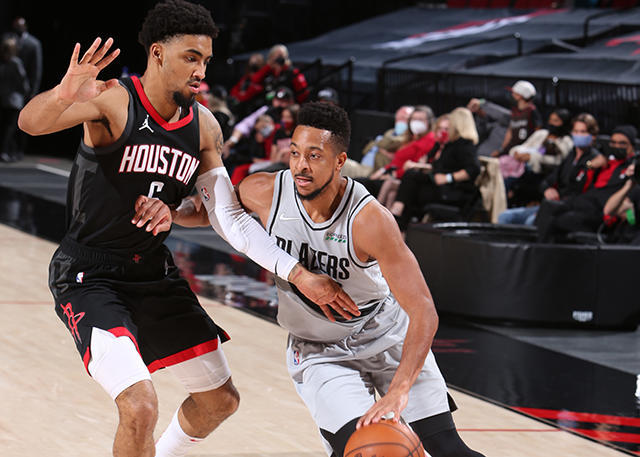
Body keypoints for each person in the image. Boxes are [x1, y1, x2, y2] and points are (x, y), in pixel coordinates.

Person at [17, 2, 354, 456]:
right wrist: (63, 94)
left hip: (152, 272)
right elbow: (30, 124)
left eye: (206, 61)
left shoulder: (204, 127)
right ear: (158, 53)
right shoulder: (116, 100)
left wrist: (293, 272)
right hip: (90, 274)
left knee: (220, 400)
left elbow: (225, 214)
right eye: (191, 58)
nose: (201, 71)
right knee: (140, 407)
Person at [162, 101, 484, 457]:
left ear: (340, 161)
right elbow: (209, 211)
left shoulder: (370, 221)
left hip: (385, 335)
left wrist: (400, 389)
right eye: (295, 153)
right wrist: (172, 212)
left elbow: (424, 311)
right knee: (366, 450)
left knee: (448, 449)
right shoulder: (266, 191)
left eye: (314, 156)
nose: (300, 165)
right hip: (321, 351)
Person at [499, 112, 597, 226]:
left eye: (583, 132)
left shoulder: (594, 159)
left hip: (569, 208)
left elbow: (584, 173)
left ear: (592, 135)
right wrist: (548, 190)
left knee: (531, 221)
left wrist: (589, 164)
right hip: (552, 204)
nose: (578, 135)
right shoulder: (571, 156)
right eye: (576, 131)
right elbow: (548, 181)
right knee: (505, 216)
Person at [391, 107, 481, 231]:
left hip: (453, 192)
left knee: (412, 186)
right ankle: (397, 222)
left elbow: (474, 169)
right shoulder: (449, 144)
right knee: (411, 179)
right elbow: (436, 167)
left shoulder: (464, 145)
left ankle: (396, 217)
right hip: (441, 187)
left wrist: (448, 178)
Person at [491, 80, 542, 158]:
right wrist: (501, 151)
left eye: (514, 93)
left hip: (523, 153)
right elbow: (510, 133)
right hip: (511, 151)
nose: (512, 95)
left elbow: (538, 134)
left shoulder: (532, 111)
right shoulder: (515, 110)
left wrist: (531, 152)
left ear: (520, 96)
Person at [0, 34, 30, 162]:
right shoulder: (9, 63)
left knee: (10, 128)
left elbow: (22, 81)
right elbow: (23, 81)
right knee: (8, 127)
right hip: (8, 99)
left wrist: (25, 93)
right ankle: (6, 151)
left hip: (11, 100)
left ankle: (9, 151)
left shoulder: (13, 63)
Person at [11, 17, 42, 100]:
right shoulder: (9, 40)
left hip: (26, 86)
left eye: (20, 26)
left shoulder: (33, 44)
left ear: (25, 27)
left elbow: (36, 69)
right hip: (11, 87)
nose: (18, 29)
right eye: (16, 26)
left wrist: (33, 91)